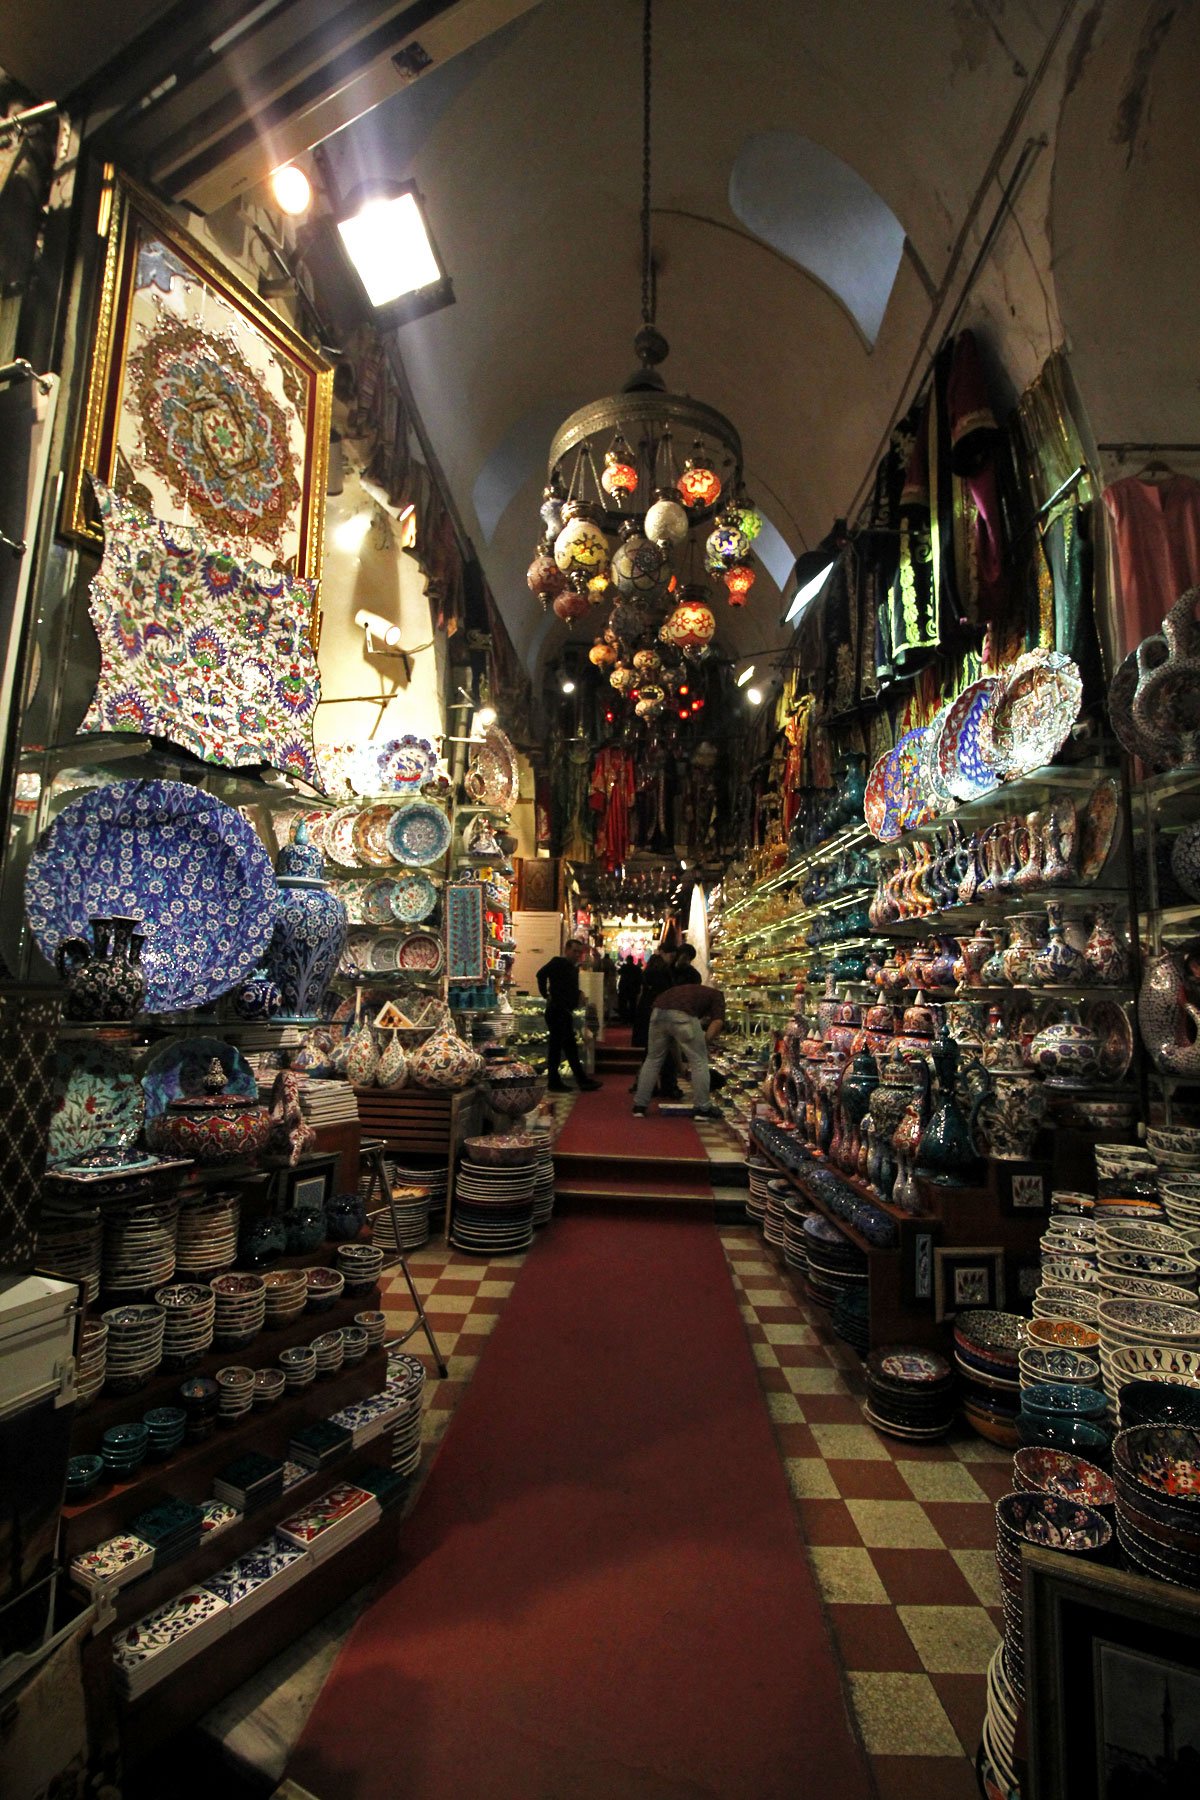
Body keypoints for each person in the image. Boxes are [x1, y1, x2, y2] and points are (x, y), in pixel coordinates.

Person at [632, 979, 726, 1119]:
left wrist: (680, 1066)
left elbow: (672, 1042)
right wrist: (704, 1042)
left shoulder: (693, 991)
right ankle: (703, 1108)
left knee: (653, 1059)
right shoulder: (718, 996)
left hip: (657, 1012)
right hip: (683, 1014)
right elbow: (717, 1022)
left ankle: (639, 1106)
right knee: (699, 1060)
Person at [537, 939, 601, 1092]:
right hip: (557, 1011)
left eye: (580, 952)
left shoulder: (573, 968)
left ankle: (579, 1080)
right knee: (559, 1047)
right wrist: (545, 994)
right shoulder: (558, 962)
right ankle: (561, 1081)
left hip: (564, 1011)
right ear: (567, 950)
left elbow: (567, 987)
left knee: (567, 1047)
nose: (577, 955)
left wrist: (578, 994)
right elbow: (540, 974)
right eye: (575, 951)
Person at [616, 955, 642, 1023]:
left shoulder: (624, 967)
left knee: (623, 1004)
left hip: (624, 988)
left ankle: (623, 1018)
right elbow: (640, 978)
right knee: (632, 1004)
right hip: (633, 988)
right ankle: (632, 1019)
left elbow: (619, 972)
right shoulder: (636, 968)